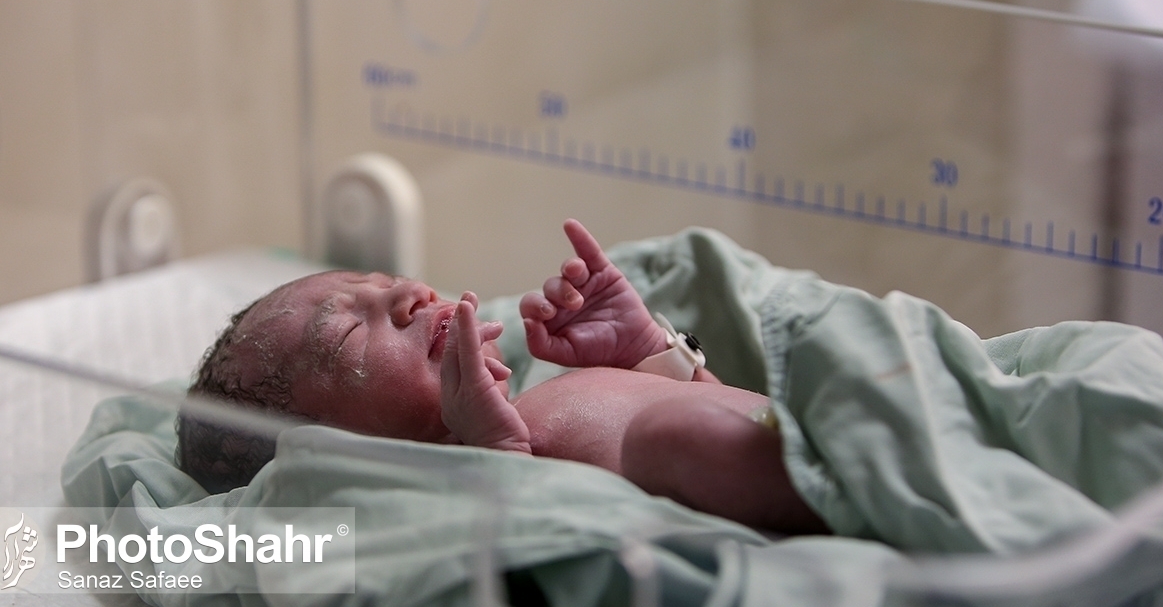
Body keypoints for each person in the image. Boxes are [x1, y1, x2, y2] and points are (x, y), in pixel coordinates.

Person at [178, 220, 828, 534]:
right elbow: (541, 539)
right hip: (815, 496)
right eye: (349, 333)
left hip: (812, 449)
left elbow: (726, 412)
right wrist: (500, 455)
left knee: (679, 435)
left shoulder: (545, 395)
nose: (406, 292)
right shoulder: (459, 494)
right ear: (338, 455)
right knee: (675, 440)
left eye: (381, 281)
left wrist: (655, 354)